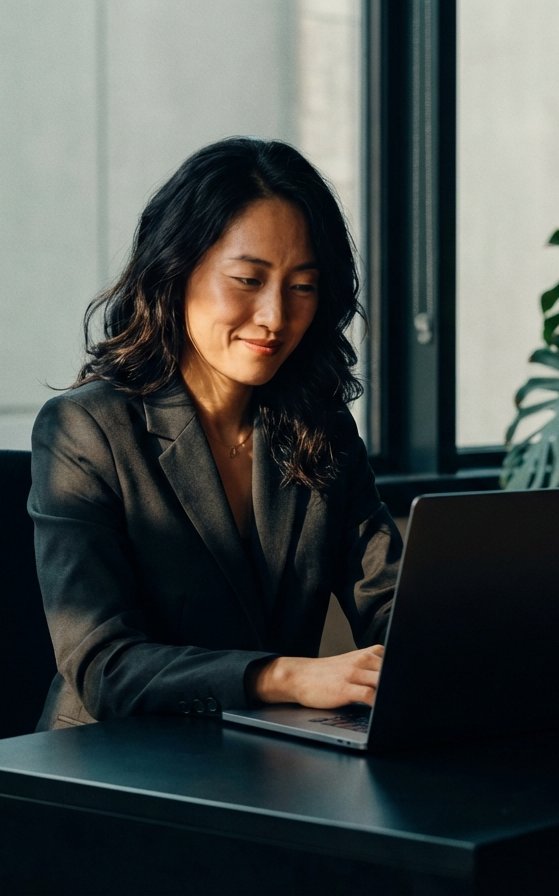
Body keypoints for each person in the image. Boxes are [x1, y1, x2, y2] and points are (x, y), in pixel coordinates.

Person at [29, 138, 400, 731]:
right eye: (249, 280)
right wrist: (284, 676)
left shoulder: (319, 428)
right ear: (176, 272)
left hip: (267, 761)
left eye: (302, 287)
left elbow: (389, 600)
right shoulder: (88, 428)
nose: (276, 317)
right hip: (116, 769)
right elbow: (104, 664)